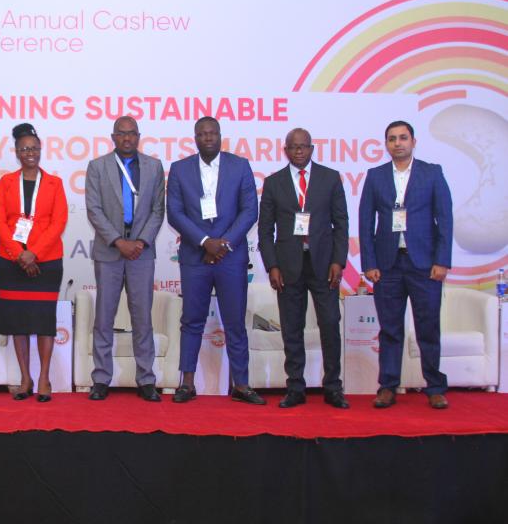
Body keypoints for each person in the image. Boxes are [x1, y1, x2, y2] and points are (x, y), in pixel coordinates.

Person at [166, 116, 264, 405]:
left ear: (220, 136)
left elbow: (250, 210)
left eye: (212, 133)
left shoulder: (240, 166)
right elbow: (175, 213)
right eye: (202, 134)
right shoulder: (180, 169)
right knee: (191, 320)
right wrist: (205, 242)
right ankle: (187, 382)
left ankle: (241, 384)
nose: (208, 138)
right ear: (195, 138)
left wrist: (224, 243)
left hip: (230, 257)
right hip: (195, 257)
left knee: (235, 322)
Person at [359, 120, 453, 410]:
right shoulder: (375, 176)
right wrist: (369, 263)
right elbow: (365, 222)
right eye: (392, 139)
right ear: (386, 144)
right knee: (389, 329)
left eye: (403, 138)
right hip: (387, 265)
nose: (397, 143)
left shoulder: (432, 173)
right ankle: (388, 387)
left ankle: (434, 387)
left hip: (424, 265)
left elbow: (445, 219)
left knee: (428, 328)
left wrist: (442, 261)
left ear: (413, 142)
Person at [257, 128, 349, 409]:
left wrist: (338, 261)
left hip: (324, 265)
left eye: (303, 146)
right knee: (291, 328)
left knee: (330, 324)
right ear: (285, 150)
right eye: (293, 147)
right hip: (288, 266)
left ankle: (333, 387)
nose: (299, 151)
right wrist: (272, 265)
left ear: (311, 148)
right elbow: (265, 230)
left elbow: (341, 224)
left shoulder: (330, 178)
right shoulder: (274, 183)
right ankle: (295, 387)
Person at [85, 116, 165, 402]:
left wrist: (139, 242)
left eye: (132, 133)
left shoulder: (154, 167)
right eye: (121, 133)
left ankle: (146, 379)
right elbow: (94, 209)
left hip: (141, 253)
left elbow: (158, 210)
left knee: (142, 318)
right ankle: (100, 379)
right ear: (113, 137)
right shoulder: (97, 166)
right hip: (109, 252)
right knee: (104, 318)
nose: (127, 138)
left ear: (139, 136)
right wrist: (119, 242)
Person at [0, 123, 68, 403]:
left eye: (34, 148)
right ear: (16, 152)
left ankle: (45, 378)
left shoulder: (55, 183)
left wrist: (33, 253)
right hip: (12, 262)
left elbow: (58, 222)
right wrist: (19, 255)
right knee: (18, 322)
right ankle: (25, 378)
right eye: (24, 149)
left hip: (46, 262)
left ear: (40, 149)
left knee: (44, 321)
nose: (30, 153)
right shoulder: (5, 182)